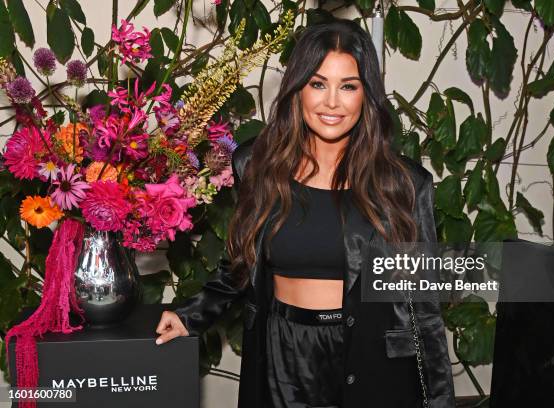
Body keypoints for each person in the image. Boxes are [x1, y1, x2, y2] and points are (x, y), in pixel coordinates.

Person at [155, 17, 455, 408]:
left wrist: (440, 400)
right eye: (318, 84)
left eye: (348, 86)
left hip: (369, 359)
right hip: (282, 353)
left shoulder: (404, 185)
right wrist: (190, 315)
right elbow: (240, 262)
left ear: (367, 96)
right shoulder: (257, 165)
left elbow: (424, 307)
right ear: (298, 90)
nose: (332, 102)